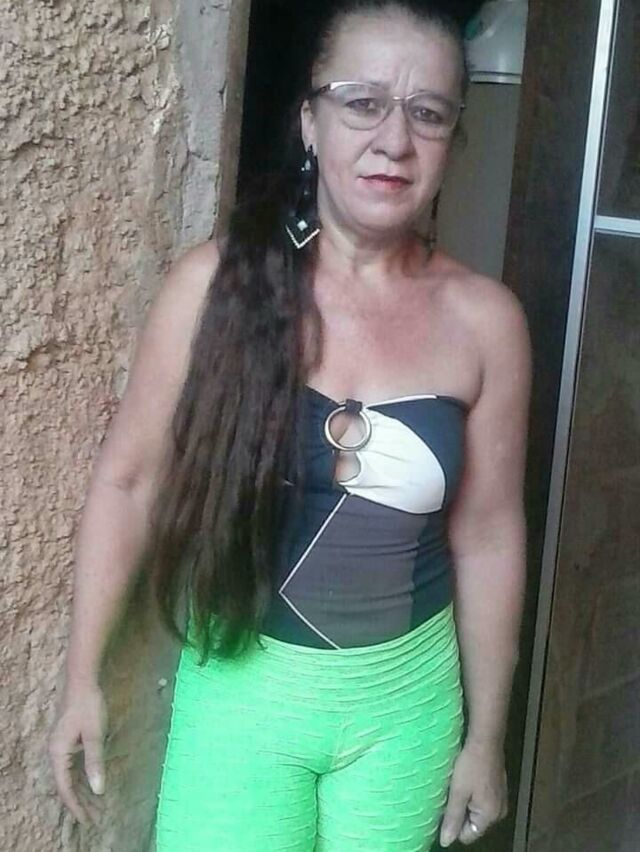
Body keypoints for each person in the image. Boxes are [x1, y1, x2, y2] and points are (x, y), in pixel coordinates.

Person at [48, 1, 531, 849]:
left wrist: (486, 739)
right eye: (362, 102)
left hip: (406, 709)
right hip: (243, 695)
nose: (394, 140)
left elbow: (489, 536)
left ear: (453, 139)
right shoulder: (214, 289)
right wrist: (81, 676)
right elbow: (129, 482)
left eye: (427, 113)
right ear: (310, 122)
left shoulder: (486, 321)